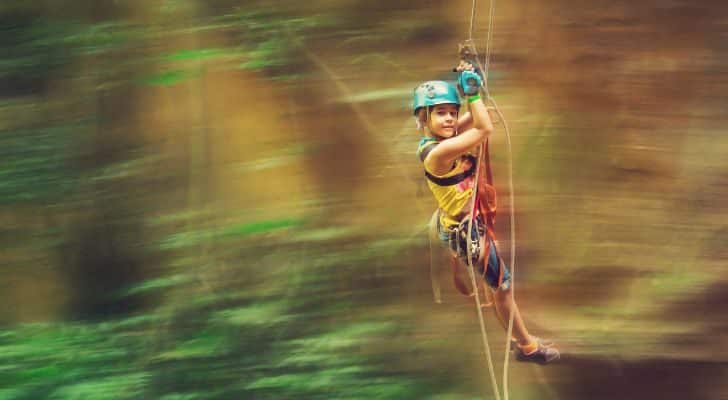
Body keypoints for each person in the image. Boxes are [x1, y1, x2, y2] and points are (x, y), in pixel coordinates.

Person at [414, 63, 560, 364]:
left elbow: (475, 121)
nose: (450, 119)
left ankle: (519, 338)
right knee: (502, 287)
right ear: (423, 117)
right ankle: (528, 347)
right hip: (466, 234)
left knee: (498, 285)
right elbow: (483, 128)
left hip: (464, 226)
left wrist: (474, 96)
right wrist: (473, 95)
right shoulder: (438, 154)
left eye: (452, 112)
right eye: (440, 113)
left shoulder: (440, 141)